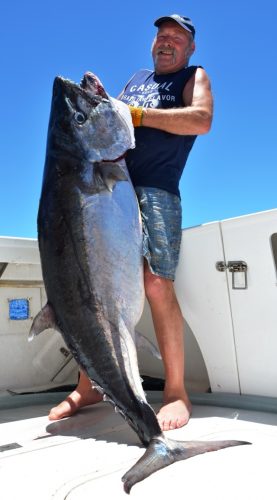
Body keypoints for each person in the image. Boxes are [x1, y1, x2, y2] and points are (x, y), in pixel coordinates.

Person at [49, 14, 213, 431]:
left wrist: (136, 115)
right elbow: (109, 127)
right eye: (161, 36)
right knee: (92, 283)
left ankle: (176, 391)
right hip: (112, 190)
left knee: (157, 283)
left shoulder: (194, 76)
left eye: (177, 38)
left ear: (190, 48)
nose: (167, 42)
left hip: (156, 188)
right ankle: (88, 385)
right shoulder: (138, 78)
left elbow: (200, 120)